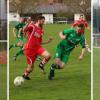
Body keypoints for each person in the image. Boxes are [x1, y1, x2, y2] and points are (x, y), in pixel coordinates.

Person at [23, 16, 52, 80]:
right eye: (43, 21)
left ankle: (41, 65)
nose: (44, 22)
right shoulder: (32, 26)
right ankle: (25, 75)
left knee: (48, 55)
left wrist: (48, 41)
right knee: (31, 68)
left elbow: (40, 42)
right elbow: (24, 30)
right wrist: (27, 23)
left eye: (44, 21)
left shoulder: (41, 30)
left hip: (38, 48)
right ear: (39, 20)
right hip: (30, 49)